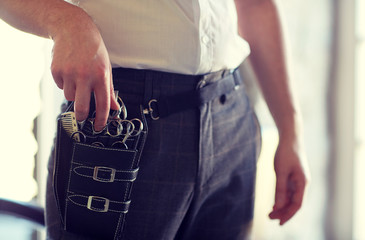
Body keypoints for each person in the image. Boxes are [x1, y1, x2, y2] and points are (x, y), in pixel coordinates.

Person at [0, 0, 309, 239]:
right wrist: (64, 19)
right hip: (119, 122)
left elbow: (255, 5)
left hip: (229, 116)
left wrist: (291, 128)